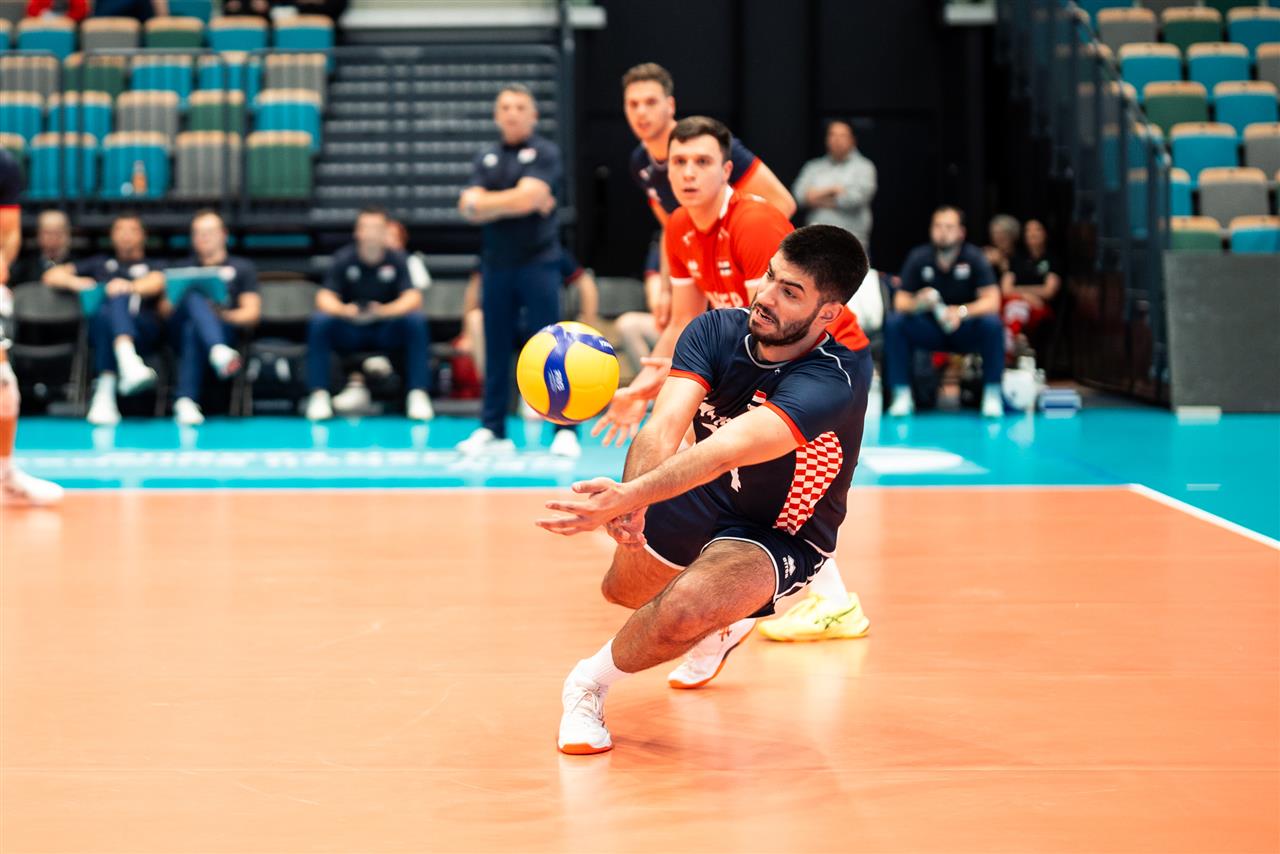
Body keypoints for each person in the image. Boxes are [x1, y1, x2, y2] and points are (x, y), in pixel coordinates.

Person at [539, 225, 872, 754]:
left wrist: (629, 496)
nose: (765, 297)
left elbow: (726, 450)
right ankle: (723, 623)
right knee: (621, 590)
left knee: (687, 606)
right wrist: (635, 499)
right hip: (707, 492)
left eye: (790, 293)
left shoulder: (834, 380)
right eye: (769, 277)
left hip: (780, 531)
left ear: (828, 314)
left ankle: (587, 685)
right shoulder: (716, 329)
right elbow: (663, 426)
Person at [597, 116, 872, 644]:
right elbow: (683, 321)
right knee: (704, 450)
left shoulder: (753, 226)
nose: (687, 173)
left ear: (727, 171)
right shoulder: (678, 227)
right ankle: (732, 601)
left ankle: (775, 603)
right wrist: (648, 383)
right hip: (758, 351)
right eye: (678, 162)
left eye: (701, 162)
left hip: (818, 356)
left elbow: (771, 327)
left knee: (762, 476)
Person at [621, 63, 795, 345]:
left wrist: (729, 256)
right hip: (708, 272)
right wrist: (666, 289)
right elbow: (670, 228)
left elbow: (782, 203)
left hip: (749, 266)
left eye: (650, 102)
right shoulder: (640, 163)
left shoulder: (709, 144)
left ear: (670, 105)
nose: (641, 112)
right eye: (633, 104)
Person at [455, 83, 568, 456]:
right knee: (496, 346)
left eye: (520, 107)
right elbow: (467, 207)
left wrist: (489, 203)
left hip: (539, 262)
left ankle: (563, 429)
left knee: (550, 347)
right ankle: (493, 429)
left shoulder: (545, 152)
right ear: (496, 115)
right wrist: (517, 200)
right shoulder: (486, 156)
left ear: (533, 115)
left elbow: (525, 197)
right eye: (505, 107)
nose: (512, 113)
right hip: (497, 264)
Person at [455, 249, 598, 458]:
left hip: (540, 322)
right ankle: (493, 428)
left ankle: (565, 430)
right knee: (483, 329)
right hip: (502, 277)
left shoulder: (553, 251)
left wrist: (588, 323)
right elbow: (475, 285)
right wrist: (466, 333)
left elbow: (585, 283)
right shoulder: (492, 252)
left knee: (554, 354)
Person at [304, 207, 434, 422]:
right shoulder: (343, 258)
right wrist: (345, 311)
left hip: (385, 328)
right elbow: (324, 297)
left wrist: (383, 311)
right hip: (351, 328)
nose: (372, 233)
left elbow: (413, 298)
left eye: (377, 228)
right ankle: (319, 394)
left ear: (386, 231)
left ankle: (418, 393)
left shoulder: (398, 259)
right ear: (358, 231)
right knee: (320, 322)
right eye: (367, 227)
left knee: (416, 321)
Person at [43, 213, 166, 426]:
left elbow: (158, 282)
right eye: (120, 230)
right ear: (112, 235)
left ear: (143, 235)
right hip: (102, 332)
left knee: (115, 297)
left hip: (143, 332)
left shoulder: (154, 264)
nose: (126, 235)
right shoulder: (100, 263)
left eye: (132, 230)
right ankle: (128, 363)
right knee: (103, 317)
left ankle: (104, 393)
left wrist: (128, 287)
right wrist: (77, 283)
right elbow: (51, 275)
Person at [140, 210, 260, 426]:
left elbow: (251, 313)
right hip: (176, 334)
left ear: (224, 234)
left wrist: (221, 316)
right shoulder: (180, 268)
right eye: (198, 233)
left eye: (209, 232)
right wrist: (178, 296)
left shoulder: (242, 268)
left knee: (194, 328)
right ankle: (217, 351)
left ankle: (186, 400)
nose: (203, 237)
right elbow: (163, 312)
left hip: (225, 329)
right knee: (193, 296)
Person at [884, 206, 1004, 418]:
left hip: (963, 327)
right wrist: (919, 304)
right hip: (930, 328)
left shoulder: (974, 257)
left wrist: (962, 312)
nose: (943, 231)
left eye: (949, 227)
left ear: (961, 232)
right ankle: (901, 395)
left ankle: (992, 394)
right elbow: (900, 301)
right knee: (895, 323)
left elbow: (993, 300)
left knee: (992, 324)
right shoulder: (919, 257)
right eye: (938, 226)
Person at [0, 147, 63, 505]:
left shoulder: (3, 165)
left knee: (3, 384)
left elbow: (8, 233)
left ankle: (4, 475)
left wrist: (1, 259)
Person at [791, 119, 877, 252]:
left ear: (852, 140)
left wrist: (815, 197)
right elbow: (800, 196)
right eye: (832, 135)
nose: (837, 140)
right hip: (816, 240)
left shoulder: (864, 167)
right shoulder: (813, 166)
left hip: (851, 241)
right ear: (826, 139)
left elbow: (854, 200)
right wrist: (833, 190)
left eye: (842, 135)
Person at [1000, 218, 1060, 358]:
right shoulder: (1017, 258)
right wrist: (1026, 296)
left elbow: (1049, 291)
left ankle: (1008, 352)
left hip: (1040, 308)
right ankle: (1014, 343)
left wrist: (1019, 291)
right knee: (1011, 307)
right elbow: (1005, 289)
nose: (1032, 233)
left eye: (1037, 229)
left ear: (1045, 233)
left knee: (1015, 308)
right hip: (1015, 303)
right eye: (1028, 230)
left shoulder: (1052, 259)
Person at [11, 210, 72, 286]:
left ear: (67, 234)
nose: (53, 237)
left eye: (57, 232)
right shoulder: (25, 268)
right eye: (48, 232)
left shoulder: (78, 265)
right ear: (39, 234)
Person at [983, 213, 1020, 282]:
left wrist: (1003, 265)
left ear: (1013, 234)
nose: (999, 237)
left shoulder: (1020, 257)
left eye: (1003, 233)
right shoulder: (987, 254)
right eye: (995, 233)